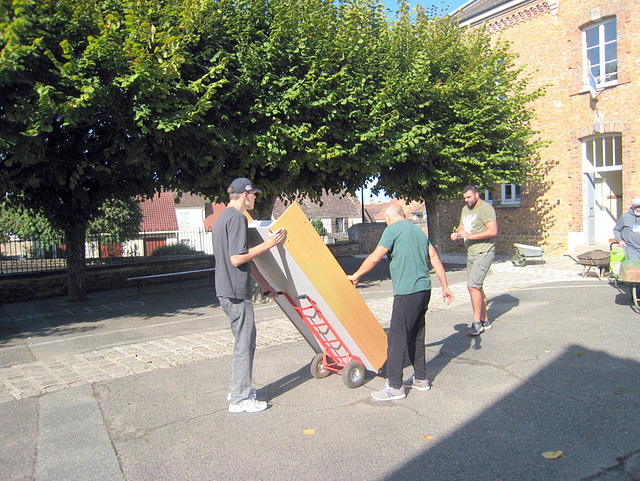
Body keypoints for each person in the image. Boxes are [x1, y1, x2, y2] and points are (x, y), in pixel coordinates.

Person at [348, 204, 454, 402]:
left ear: (388, 218)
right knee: (416, 335)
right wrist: (445, 287)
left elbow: (376, 256)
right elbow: (434, 258)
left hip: (407, 291)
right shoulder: (418, 231)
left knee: (396, 338)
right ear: (403, 215)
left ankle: (395, 386)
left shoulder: (392, 229)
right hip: (424, 290)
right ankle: (421, 379)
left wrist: (357, 275)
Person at [212, 178, 286, 413]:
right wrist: (269, 244)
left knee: (242, 343)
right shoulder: (237, 218)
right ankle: (240, 399)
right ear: (247, 194)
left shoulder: (222, 217)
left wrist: (265, 285)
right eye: (254, 194)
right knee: (245, 344)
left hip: (227, 290)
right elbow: (237, 258)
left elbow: (245, 260)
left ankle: (238, 390)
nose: (255, 198)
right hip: (235, 293)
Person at [450, 185, 498, 337]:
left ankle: (476, 322)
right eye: (464, 198)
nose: (466, 200)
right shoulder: (466, 209)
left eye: (469, 197)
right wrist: (457, 234)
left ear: (477, 195)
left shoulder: (486, 208)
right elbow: (462, 226)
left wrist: (470, 236)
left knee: (472, 286)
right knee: (477, 287)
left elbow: (493, 231)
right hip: (471, 253)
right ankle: (485, 320)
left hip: (484, 252)